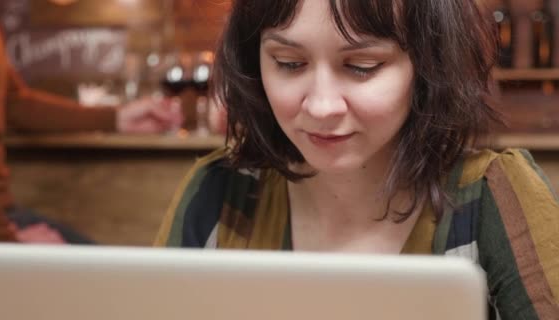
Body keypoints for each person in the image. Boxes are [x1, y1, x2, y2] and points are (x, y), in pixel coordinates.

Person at [154, 0, 559, 318]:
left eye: (363, 67)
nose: (322, 105)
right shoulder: (215, 193)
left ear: (427, 65)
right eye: (289, 64)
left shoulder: (492, 200)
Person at [0, 0, 183, 244]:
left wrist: (116, 118)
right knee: (104, 274)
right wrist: (6, 240)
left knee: (109, 270)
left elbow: (15, 103)